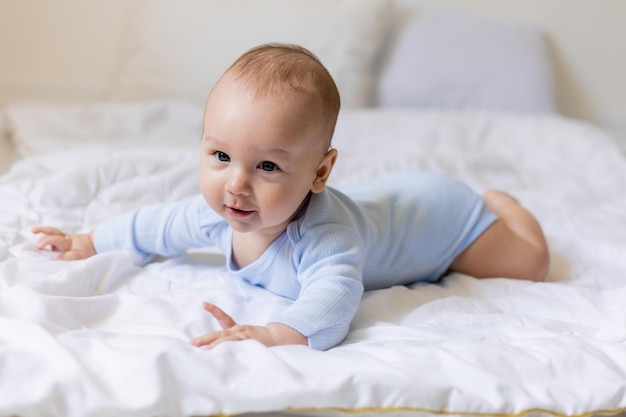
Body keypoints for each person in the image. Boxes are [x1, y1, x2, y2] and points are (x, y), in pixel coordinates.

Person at [32, 43, 549, 351]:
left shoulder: (326, 238)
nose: (236, 184)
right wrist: (89, 239)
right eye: (219, 156)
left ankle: (501, 203)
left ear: (319, 172)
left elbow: (332, 303)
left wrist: (274, 334)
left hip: (443, 219)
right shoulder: (222, 209)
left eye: (268, 166)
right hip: (390, 200)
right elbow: (155, 226)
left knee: (532, 264)